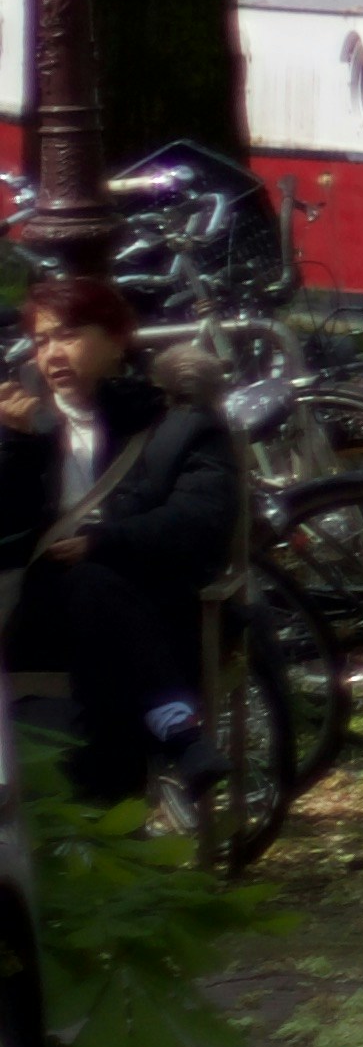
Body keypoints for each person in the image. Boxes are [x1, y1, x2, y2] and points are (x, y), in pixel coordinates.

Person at [1, 272, 243, 808]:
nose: (52, 354)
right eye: (41, 341)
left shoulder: (177, 424)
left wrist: (107, 542)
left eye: (67, 335)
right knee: (84, 588)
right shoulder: (18, 424)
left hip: (156, 611)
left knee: (93, 589)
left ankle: (108, 835)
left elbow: (203, 519)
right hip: (41, 617)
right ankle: (178, 729)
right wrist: (17, 453)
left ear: (116, 341)